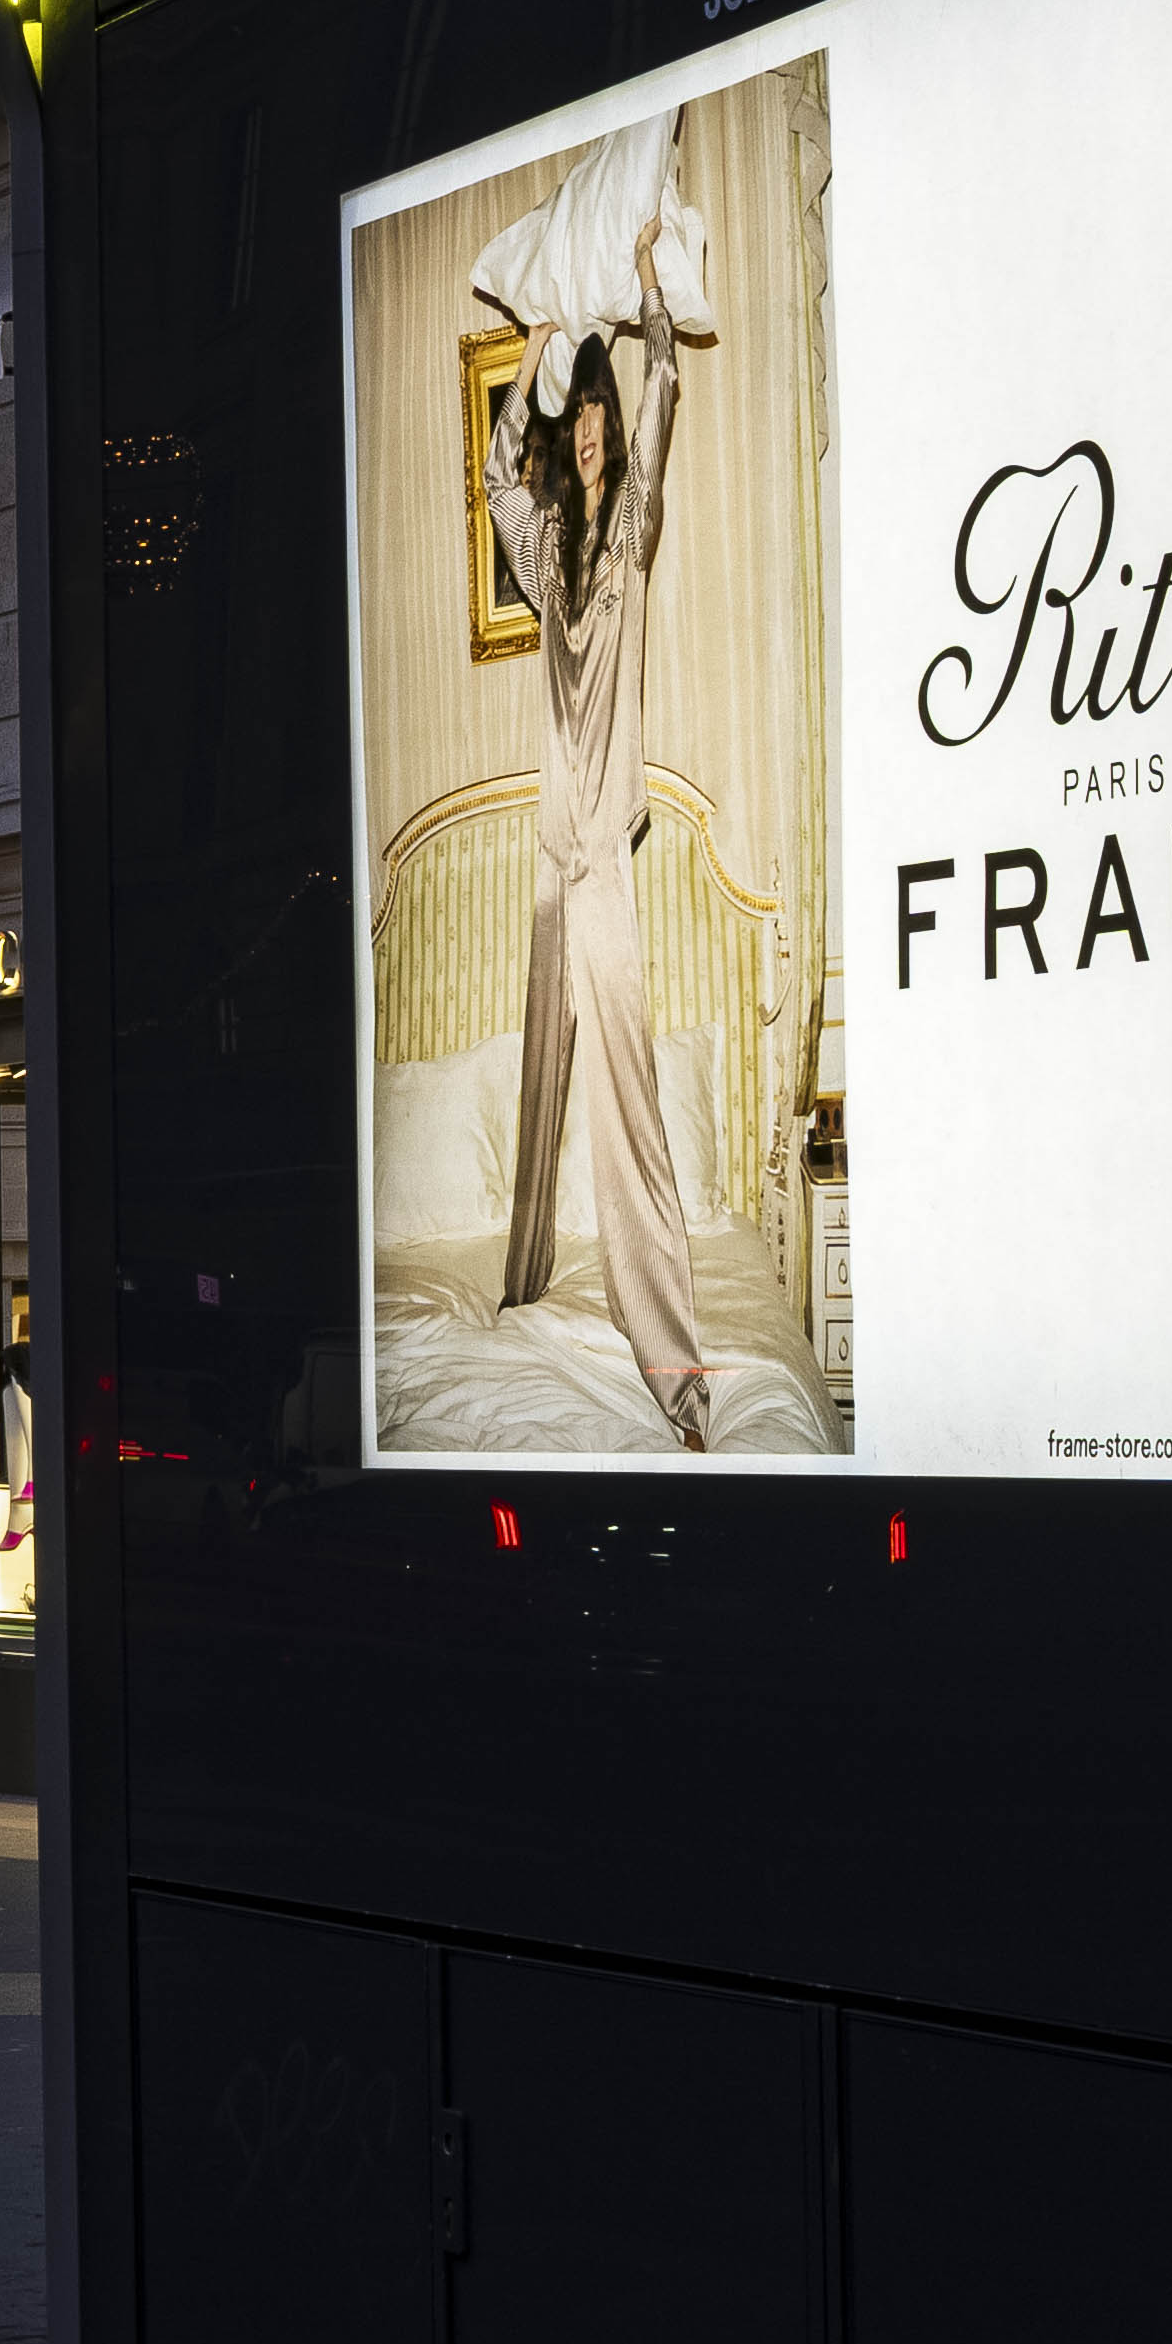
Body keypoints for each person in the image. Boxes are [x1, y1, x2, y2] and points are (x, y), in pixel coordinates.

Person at [466, 110, 732, 1440]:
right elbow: (496, 479)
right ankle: (516, 1281)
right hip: (541, 852)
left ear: (612, 449)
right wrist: (536, 363)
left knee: (622, 1102)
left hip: (603, 869)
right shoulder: (547, 557)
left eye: (593, 434)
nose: (580, 446)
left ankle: (675, 1366)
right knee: (535, 1086)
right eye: (571, 435)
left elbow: (668, 398)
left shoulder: (623, 542)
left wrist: (637, 311)